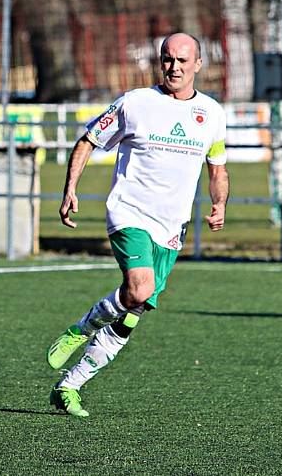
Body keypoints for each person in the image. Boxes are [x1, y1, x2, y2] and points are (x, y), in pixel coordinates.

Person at [46, 32, 229, 417]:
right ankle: (79, 330)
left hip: (171, 227)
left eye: (182, 60)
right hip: (129, 213)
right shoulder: (135, 103)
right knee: (140, 287)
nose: (174, 67)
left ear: (198, 64)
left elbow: (217, 167)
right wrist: (70, 190)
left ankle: (69, 386)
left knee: (134, 311)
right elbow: (88, 141)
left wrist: (219, 204)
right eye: (167, 59)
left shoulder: (212, 113)